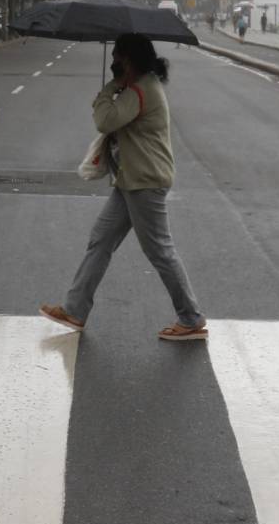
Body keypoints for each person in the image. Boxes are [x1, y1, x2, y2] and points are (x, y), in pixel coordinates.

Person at [40, 34, 206, 342]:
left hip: (145, 181)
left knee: (160, 250)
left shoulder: (141, 90)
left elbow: (106, 120)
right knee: (100, 241)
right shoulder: (139, 87)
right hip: (131, 180)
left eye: (118, 56)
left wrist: (107, 90)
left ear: (131, 59)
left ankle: (191, 318)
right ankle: (75, 310)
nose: (114, 61)